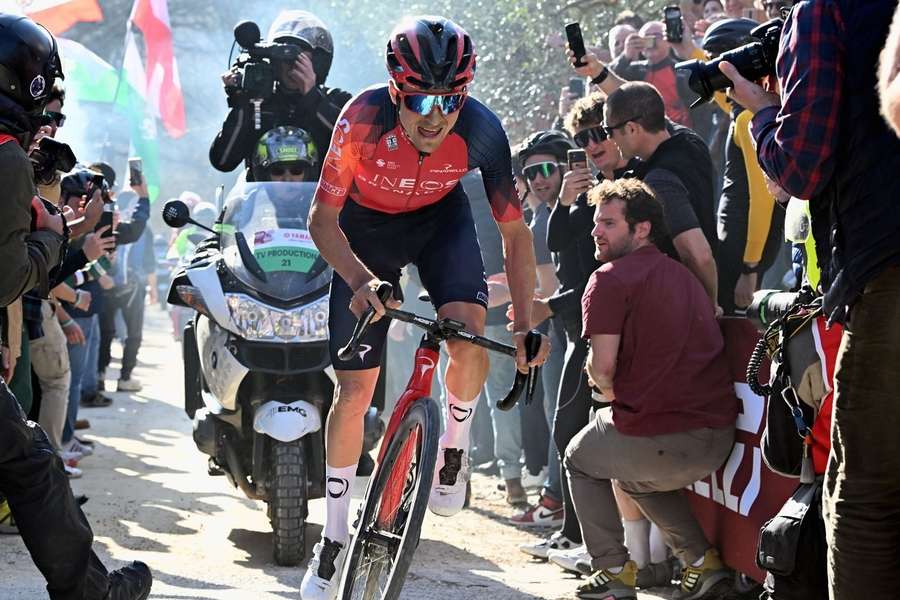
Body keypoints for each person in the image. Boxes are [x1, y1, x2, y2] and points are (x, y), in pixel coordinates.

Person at [301, 16, 549, 598]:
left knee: (469, 329)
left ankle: (453, 447)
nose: (435, 116)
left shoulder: (484, 130)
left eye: (450, 100)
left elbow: (515, 236)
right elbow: (321, 219)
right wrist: (361, 280)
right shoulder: (361, 117)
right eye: (419, 100)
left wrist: (524, 318)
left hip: (440, 224)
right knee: (356, 391)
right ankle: (333, 538)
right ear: (395, 90)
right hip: (363, 233)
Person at [719, 2, 900, 598]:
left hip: (888, 267)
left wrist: (765, 111)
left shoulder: (822, 9)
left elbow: (799, 166)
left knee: (865, 491)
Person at [0, 13, 152, 599]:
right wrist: (49, 229)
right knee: (35, 461)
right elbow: (7, 276)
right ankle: (90, 593)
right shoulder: (8, 158)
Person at [569, 178, 737, 600]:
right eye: (595, 223)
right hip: (718, 441)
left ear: (641, 229)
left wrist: (598, 380)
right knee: (630, 474)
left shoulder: (607, 278)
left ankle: (611, 571)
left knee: (578, 458)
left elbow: (603, 370)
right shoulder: (685, 277)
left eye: (608, 223)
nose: (596, 231)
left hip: (663, 439)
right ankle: (702, 563)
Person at [513, 97, 631, 572]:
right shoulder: (557, 208)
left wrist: (549, 305)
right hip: (575, 333)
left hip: (597, 337)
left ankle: (596, 545)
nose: (540, 179)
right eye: (532, 173)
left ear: (570, 166)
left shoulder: (591, 203)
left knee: (575, 435)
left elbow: (591, 279)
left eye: (548, 168)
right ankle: (572, 535)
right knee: (567, 435)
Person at [600, 82, 719, 306]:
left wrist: (710, 305)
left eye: (609, 131)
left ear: (633, 128)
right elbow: (643, 102)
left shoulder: (660, 181)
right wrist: (598, 74)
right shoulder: (690, 141)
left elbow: (698, 254)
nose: (609, 139)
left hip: (685, 306)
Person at [702, 19, 784, 315]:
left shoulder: (748, 120)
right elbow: (724, 98)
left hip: (743, 252)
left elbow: (760, 200)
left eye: (715, 62)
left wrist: (749, 269)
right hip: (741, 246)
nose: (709, 69)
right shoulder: (752, 109)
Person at [209, 10, 351, 178]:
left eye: (297, 58)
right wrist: (240, 103)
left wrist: (312, 97)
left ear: (318, 62)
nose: (291, 67)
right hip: (262, 202)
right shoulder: (257, 103)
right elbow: (223, 162)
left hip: (321, 201)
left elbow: (355, 146)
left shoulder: (338, 101)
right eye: (284, 59)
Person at [609, 21, 696, 128]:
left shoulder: (682, 72)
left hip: (680, 136)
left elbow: (701, 112)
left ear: (668, 40)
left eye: (657, 36)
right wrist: (625, 56)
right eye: (646, 38)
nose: (652, 41)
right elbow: (606, 79)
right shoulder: (634, 70)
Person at [250, 126, 319, 182]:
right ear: (264, 176)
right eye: (277, 171)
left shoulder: (322, 199)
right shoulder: (246, 199)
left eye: (296, 171)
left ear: (309, 175)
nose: (287, 179)